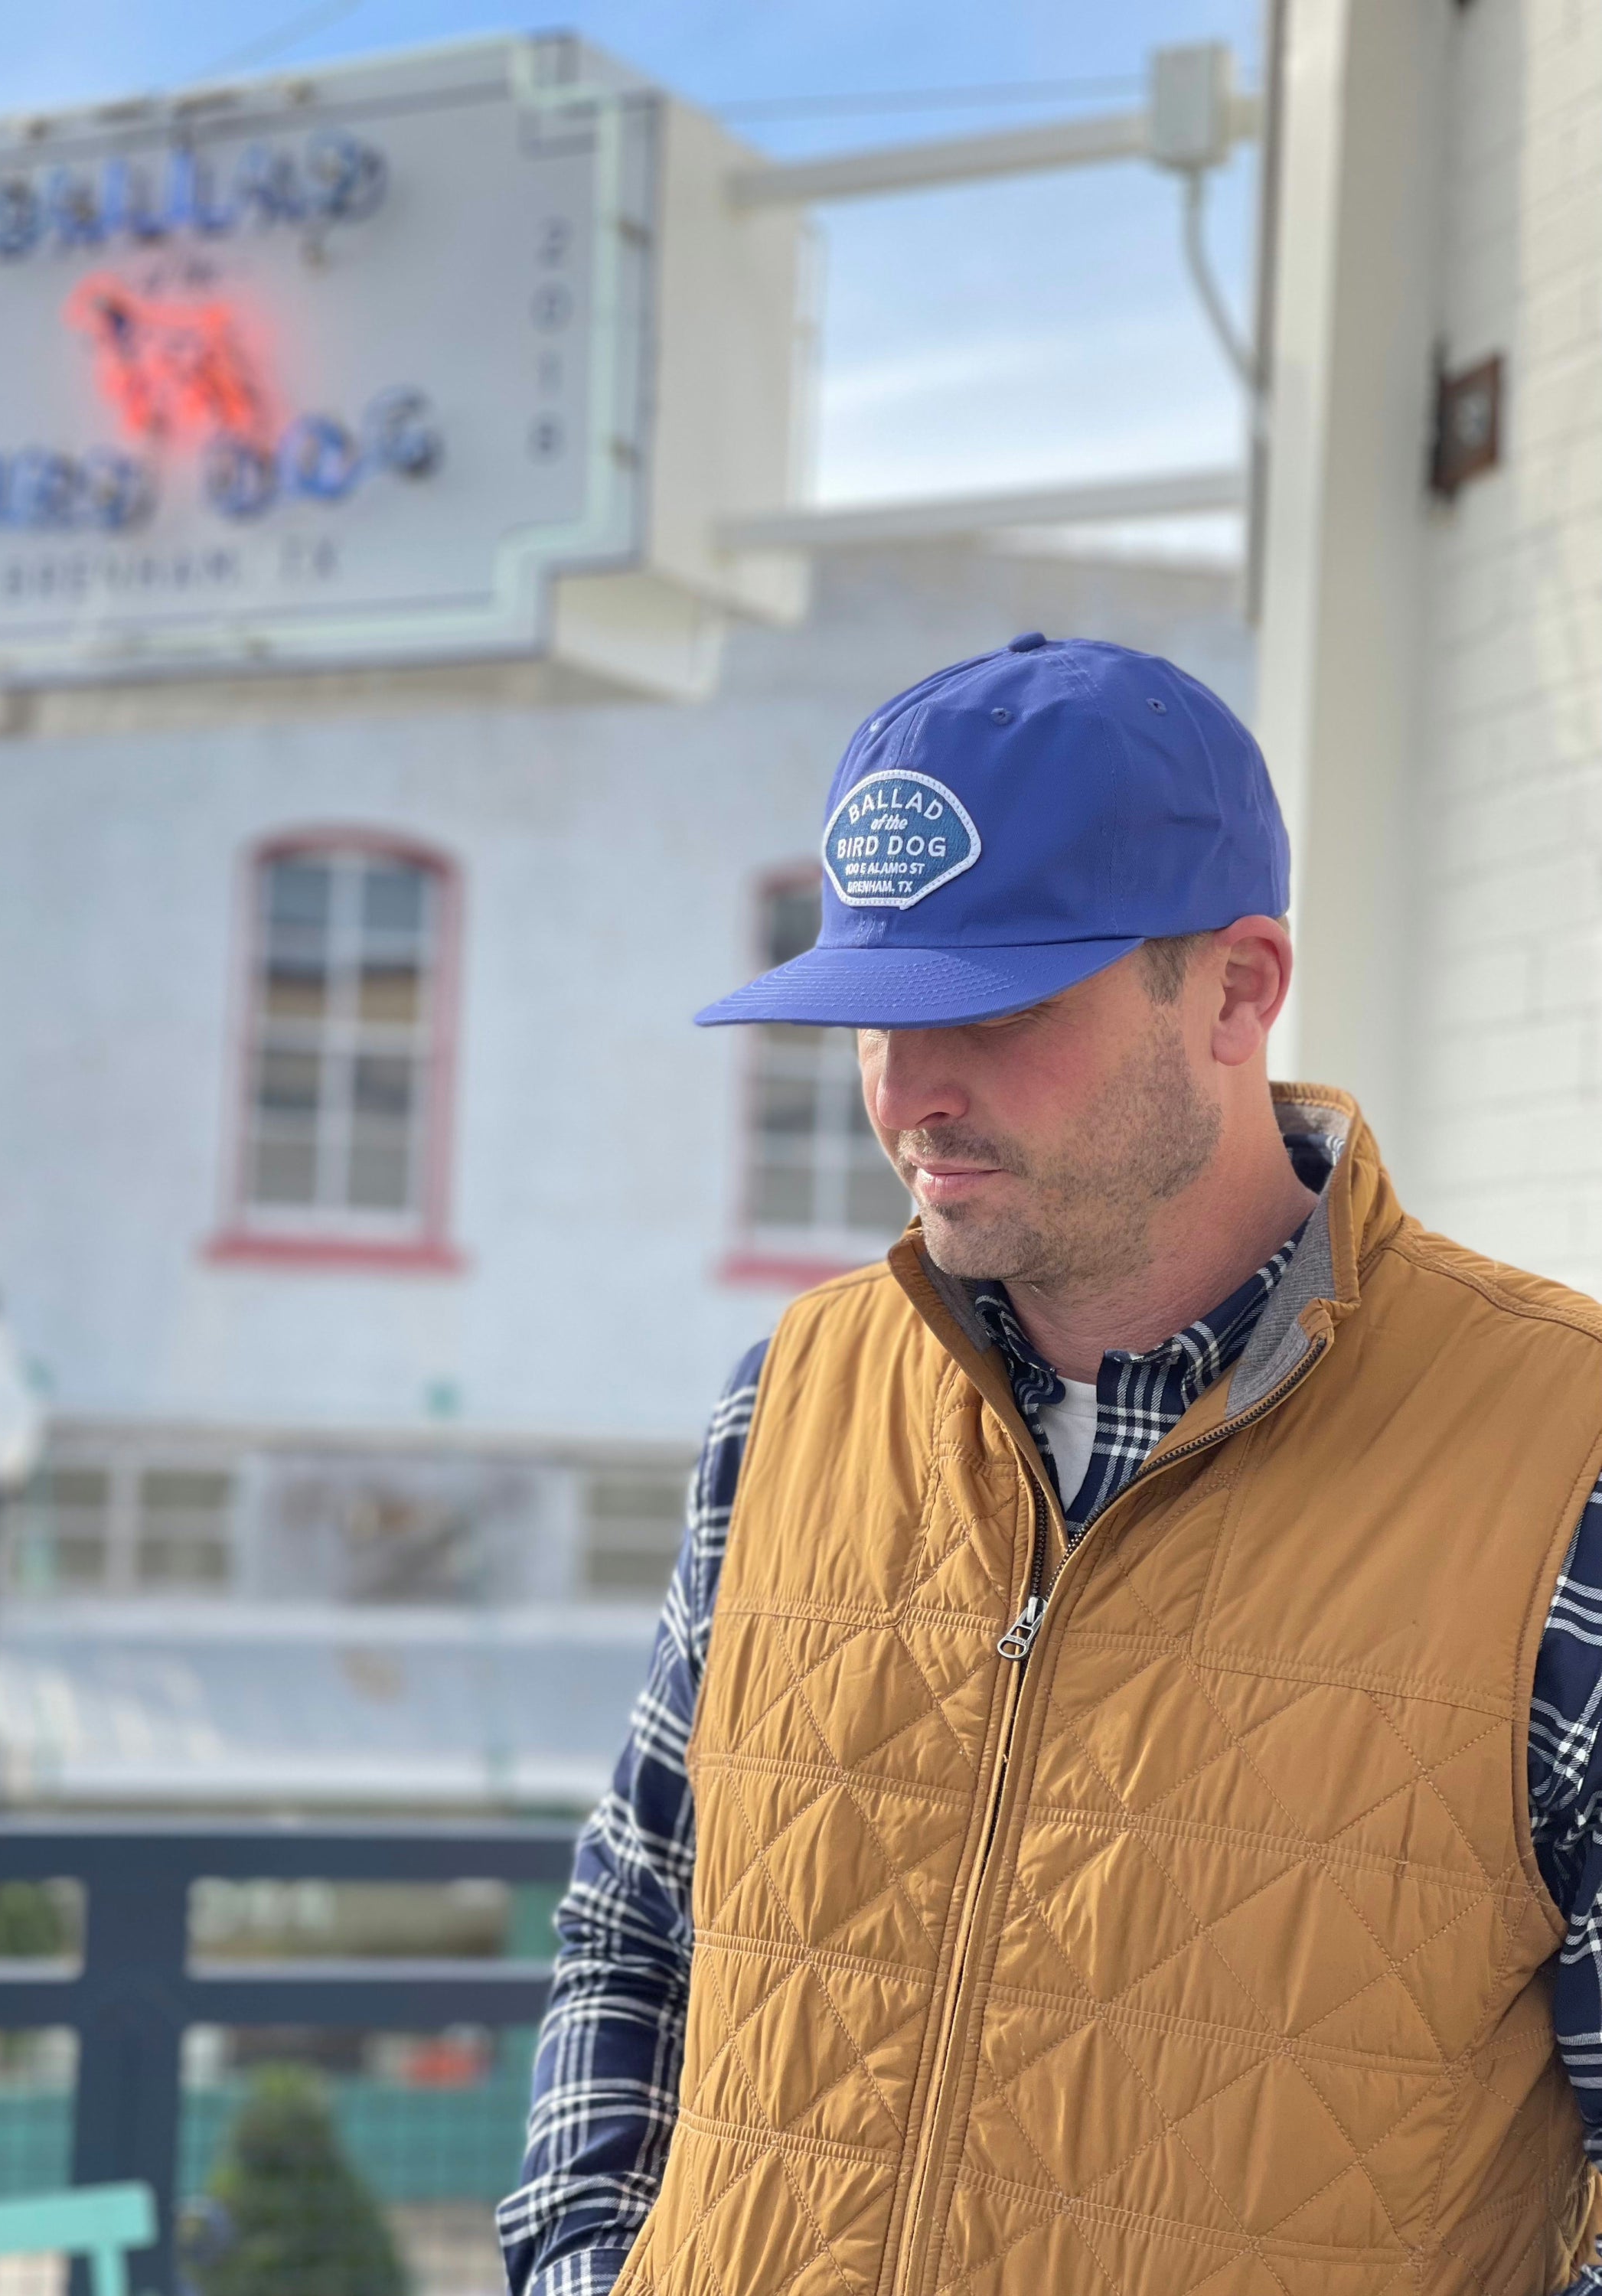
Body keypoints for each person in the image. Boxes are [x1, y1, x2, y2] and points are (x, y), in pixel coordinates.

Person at [499, 634, 1602, 2296]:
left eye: (995, 1007)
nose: (910, 1091)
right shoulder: (792, 1398)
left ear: (1240, 986)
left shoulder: (1559, 1459)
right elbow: (636, 1923)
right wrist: (583, 2265)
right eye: (873, 1009)